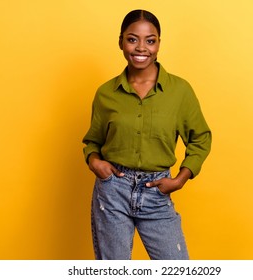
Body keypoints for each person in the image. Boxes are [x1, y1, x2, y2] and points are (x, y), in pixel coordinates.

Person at [82, 9, 212, 260]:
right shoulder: (106, 93)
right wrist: (94, 161)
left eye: (150, 41)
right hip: (112, 191)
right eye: (132, 39)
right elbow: (93, 142)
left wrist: (180, 179)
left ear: (158, 44)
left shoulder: (179, 91)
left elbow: (200, 138)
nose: (141, 48)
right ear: (121, 41)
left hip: (156, 191)